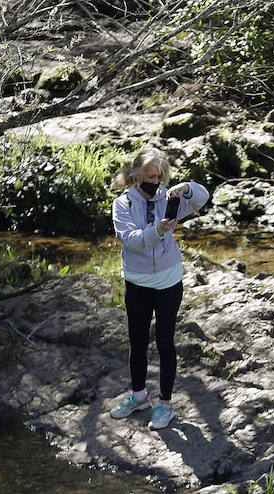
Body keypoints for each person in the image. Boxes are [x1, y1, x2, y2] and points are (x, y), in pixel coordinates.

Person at [108, 147, 210, 429]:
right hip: (137, 283)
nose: (155, 181)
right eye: (149, 176)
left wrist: (187, 188)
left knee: (165, 341)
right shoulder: (123, 204)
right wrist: (160, 231)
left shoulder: (168, 197)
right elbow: (130, 239)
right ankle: (139, 396)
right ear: (136, 175)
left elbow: (203, 198)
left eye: (159, 176)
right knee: (137, 341)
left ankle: (165, 405)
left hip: (168, 282)